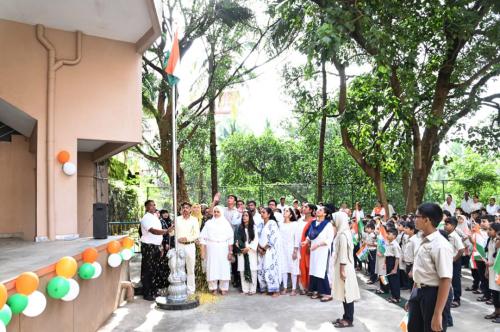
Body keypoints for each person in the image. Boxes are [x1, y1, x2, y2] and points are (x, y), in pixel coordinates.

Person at [406, 203, 453, 332]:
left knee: (432, 329)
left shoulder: (440, 245)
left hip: (433, 294)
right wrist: (412, 297)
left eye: (417, 216)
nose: (413, 219)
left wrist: (438, 313)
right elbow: (421, 271)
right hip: (418, 291)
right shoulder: (421, 239)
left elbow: (445, 280)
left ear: (427, 220)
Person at [331, 211, 361, 328]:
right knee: (345, 293)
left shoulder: (343, 235)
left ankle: (349, 319)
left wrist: (342, 270)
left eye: (335, 220)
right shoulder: (344, 232)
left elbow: (343, 253)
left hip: (344, 267)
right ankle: (345, 316)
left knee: (347, 293)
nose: (333, 222)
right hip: (344, 266)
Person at [200, 205, 234, 295]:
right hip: (211, 247)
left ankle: (224, 288)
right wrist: (203, 251)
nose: (216, 213)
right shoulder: (208, 223)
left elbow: (231, 238)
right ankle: (213, 287)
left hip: (224, 247)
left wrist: (230, 251)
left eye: (218, 212)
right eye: (215, 212)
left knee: (224, 267)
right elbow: (202, 237)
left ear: (221, 212)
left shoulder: (226, 224)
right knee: (212, 267)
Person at [140, 200, 170, 301]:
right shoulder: (145, 218)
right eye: (150, 205)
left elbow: (158, 235)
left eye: (154, 205)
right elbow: (153, 231)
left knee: (155, 270)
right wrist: (166, 231)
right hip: (148, 246)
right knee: (148, 270)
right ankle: (147, 293)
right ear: (146, 207)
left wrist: (161, 247)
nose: (153, 207)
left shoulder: (155, 217)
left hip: (156, 246)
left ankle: (154, 290)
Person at [304, 206, 334, 302]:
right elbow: (309, 236)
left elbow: (329, 239)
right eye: (317, 210)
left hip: (323, 250)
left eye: (320, 210)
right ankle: (316, 290)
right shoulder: (313, 223)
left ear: (325, 214)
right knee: (313, 270)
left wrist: (317, 245)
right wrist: (306, 242)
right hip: (314, 250)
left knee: (321, 271)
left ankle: (327, 293)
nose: (318, 211)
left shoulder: (328, 225)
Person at [176, 202, 200, 295]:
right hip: (179, 246)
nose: (185, 209)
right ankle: (180, 289)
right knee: (179, 268)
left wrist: (187, 239)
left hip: (190, 246)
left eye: (187, 208)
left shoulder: (194, 220)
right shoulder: (177, 220)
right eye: (183, 208)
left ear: (190, 210)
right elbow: (172, 233)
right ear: (181, 210)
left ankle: (190, 291)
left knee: (190, 269)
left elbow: (197, 234)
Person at [257, 207, 282, 297]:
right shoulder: (260, 224)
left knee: (270, 268)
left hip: (269, 251)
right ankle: (267, 288)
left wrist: (264, 249)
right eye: (261, 212)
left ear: (269, 214)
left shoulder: (272, 223)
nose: (261, 213)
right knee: (261, 269)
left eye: (264, 212)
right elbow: (257, 238)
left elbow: (273, 237)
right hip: (260, 251)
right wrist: (259, 248)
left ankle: (275, 290)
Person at [235, 210, 259, 295]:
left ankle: (252, 289)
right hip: (242, 252)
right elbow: (237, 240)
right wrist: (240, 247)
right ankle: (245, 289)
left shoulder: (253, 227)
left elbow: (255, 240)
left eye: (246, 215)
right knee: (242, 270)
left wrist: (248, 248)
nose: (244, 217)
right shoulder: (239, 228)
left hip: (251, 252)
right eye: (243, 216)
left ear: (250, 217)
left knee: (252, 270)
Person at [443, 217, 465, 308]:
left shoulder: (455, 236)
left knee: (456, 279)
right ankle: (448, 297)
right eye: (445, 224)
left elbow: (461, 249)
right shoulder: (446, 235)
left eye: (447, 224)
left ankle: (457, 299)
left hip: (455, 261)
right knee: (448, 279)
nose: (444, 226)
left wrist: (455, 259)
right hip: (448, 260)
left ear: (453, 226)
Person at [280, 207, 299, 295]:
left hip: (291, 248)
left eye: (287, 211)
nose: (284, 212)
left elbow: (297, 238)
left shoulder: (294, 224)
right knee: (283, 268)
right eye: (284, 210)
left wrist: (295, 250)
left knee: (293, 268)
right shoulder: (280, 224)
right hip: (282, 248)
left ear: (291, 215)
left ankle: (294, 289)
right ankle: (285, 287)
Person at [299, 203, 317, 293]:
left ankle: (311, 287)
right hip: (301, 246)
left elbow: (314, 234)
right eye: (303, 207)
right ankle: (304, 286)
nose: (303, 208)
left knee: (309, 265)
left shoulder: (314, 221)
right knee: (302, 266)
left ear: (311, 210)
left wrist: (309, 245)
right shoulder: (299, 221)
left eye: (306, 207)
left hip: (310, 246)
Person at [485, 223, 500, 323]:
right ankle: (496, 311)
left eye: (490, 229)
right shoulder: (489, 240)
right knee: (494, 292)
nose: (488, 231)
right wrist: (487, 269)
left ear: (497, 231)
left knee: (499, 292)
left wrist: (491, 264)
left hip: (498, 270)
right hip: (491, 270)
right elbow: (489, 255)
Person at [385, 228, 402, 303]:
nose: (387, 235)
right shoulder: (388, 243)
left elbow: (397, 258)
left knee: (394, 281)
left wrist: (395, 269)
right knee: (390, 280)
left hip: (393, 263)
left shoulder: (395, 245)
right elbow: (387, 254)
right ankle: (393, 296)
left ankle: (397, 297)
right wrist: (385, 263)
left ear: (394, 236)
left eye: (389, 234)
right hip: (389, 261)